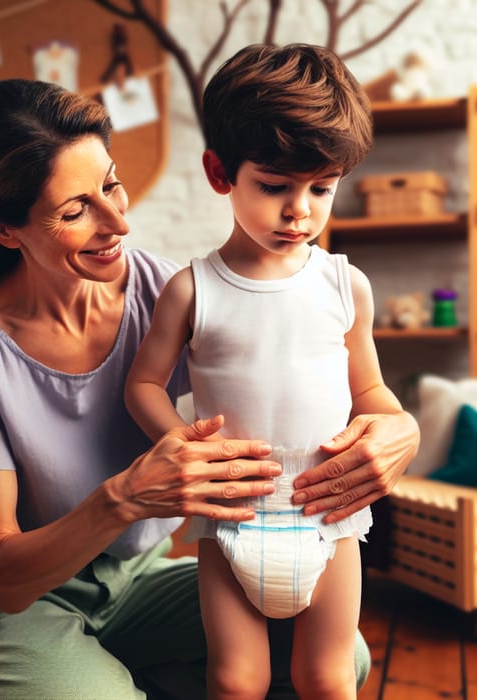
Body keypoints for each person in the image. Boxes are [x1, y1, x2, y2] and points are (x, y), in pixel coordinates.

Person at [0, 76, 419, 699]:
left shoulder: (161, 289)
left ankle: (124, 673)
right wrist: (125, 498)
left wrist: (398, 427)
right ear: (0, 227)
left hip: (139, 578)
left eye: (111, 183)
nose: (119, 221)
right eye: (75, 211)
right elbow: (6, 577)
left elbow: (323, 373)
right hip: (16, 599)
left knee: (340, 658)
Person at [124, 43, 411, 699]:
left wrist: (390, 425)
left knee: (328, 676)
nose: (300, 211)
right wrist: (180, 441)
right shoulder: (192, 289)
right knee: (235, 678)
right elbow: (142, 385)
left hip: (329, 517)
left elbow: (367, 389)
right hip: (232, 523)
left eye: (321, 189)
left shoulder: (347, 285)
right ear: (221, 173)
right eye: (275, 187)